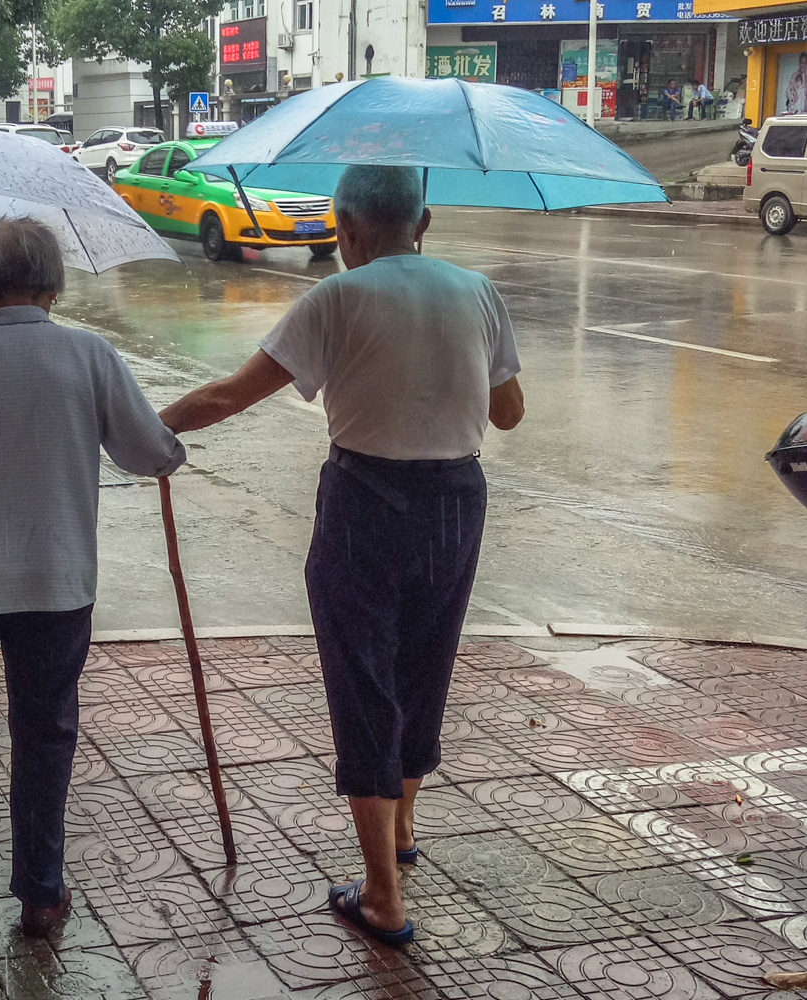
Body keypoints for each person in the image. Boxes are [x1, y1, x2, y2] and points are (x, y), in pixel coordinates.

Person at [159, 165, 525, 947]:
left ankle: (383, 898)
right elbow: (510, 412)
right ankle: (402, 830)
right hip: (458, 501)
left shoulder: (335, 298)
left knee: (364, 684)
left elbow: (227, 397)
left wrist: (143, 429)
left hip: (366, 504)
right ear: (422, 224)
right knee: (425, 664)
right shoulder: (478, 292)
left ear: (348, 228)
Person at [0, 217, 185, 937]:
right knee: (46, 730)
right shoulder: (89, 354)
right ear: (53, 285)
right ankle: (43, 892)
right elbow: (150, 454)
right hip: (57, 580)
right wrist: (171, 445)